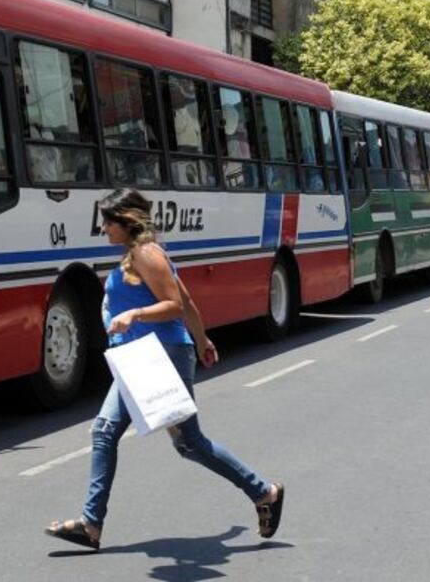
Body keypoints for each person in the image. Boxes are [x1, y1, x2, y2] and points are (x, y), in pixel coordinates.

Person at [46, 189, 284, 551]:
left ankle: (263, 492)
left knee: (189, 443)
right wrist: (203, 340)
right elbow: (187, 299)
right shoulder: (137, 255)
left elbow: (174, 304)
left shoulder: (146, 254)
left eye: (108, 221)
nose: (103, 228)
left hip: (161, 355)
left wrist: (135, 315)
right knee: (105, 431)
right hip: (139, 358)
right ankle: (90, 525)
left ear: (127, 220)